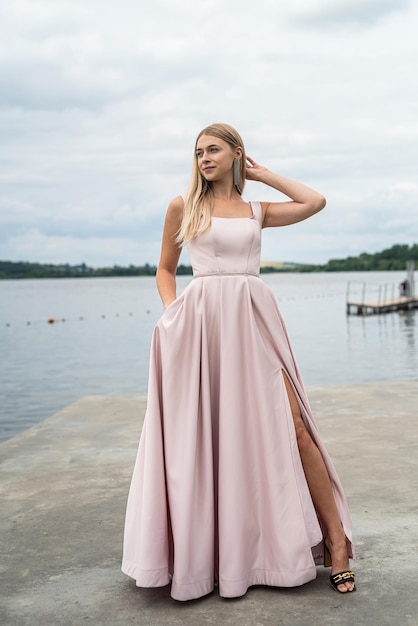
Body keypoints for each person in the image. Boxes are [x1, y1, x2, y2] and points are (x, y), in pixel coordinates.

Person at [122, 123, 356, 601]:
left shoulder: (256, 210)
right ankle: (222, 558)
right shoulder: (183, 207)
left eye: (213, 150)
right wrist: (173, 316)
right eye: (198, 152)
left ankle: (337, 547)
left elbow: (314, 202)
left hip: (255, 323)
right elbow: (165, 270)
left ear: (236, 154)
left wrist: (264, 175)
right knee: (212, 439)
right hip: (200, 331)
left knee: (295, 427)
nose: (203, 158)